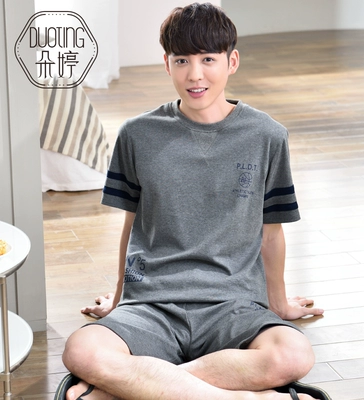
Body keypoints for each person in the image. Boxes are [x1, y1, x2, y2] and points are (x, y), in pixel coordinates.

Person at [58, 3, 330, 400]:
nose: (195, 74)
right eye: (182, 60)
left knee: (293, 355)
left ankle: (119, 390)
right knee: (81, 349)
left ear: (231, 61)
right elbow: (131, 225)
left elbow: (271, 233)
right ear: (167, 64)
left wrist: (279, 304)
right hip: (151, 303)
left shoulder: (267, 136)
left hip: (235, 304)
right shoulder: (137, 134)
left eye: (208, 59)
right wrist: (118, 300)